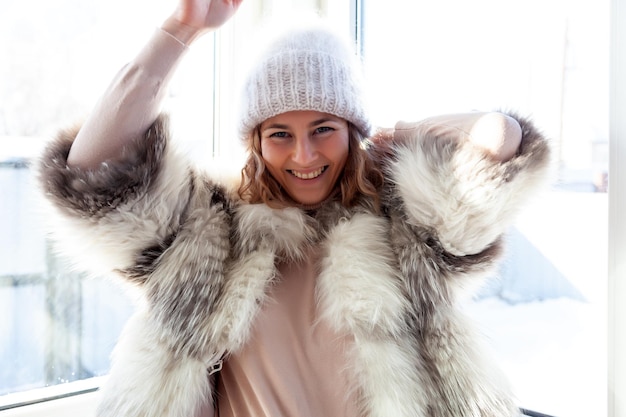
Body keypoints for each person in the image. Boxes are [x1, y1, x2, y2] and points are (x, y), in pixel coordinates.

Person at [37, 0, 551, 416]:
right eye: (280, 134)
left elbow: (499, 139)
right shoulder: (208, 226)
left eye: (324, 129)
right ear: (256, 144)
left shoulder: (405, 225)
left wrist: (405, 134)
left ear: (353, 131)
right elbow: (91, 171)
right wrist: (180, 29)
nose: (304, 156)